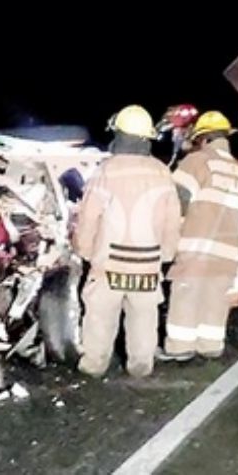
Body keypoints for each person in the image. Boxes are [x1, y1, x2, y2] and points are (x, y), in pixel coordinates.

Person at [73, 105, 181, 378]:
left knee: (99, 317)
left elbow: (88, 217)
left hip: (108, 264)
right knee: (144, 318)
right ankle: (140, 366)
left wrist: (84, 250)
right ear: (147, 139)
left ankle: (94, 365)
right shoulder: (162, 172)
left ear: (119, 135)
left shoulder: (106, 170)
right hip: (146, 264)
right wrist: (166, 255)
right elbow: (172, 220)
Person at [159, 111, 238, 361]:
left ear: (202, 138)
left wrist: (172, 231)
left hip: (196, 246)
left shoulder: (197, 161)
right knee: (215, 298)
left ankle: (180, 348)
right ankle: (210, 346)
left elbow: (178, 198)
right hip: (228, 250)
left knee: (186, 295)